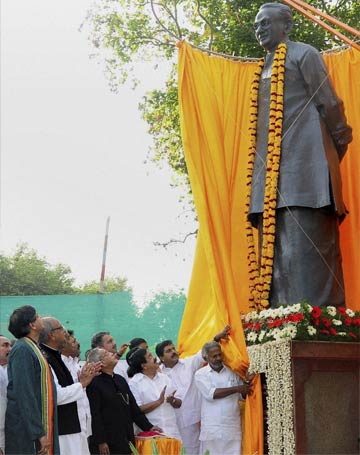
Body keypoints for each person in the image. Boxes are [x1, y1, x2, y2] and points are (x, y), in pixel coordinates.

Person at [249, 2, 352, 307]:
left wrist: (327, 158)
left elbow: (330, 106)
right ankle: (283, 323)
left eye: (265, 23)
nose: (259, 29)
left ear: (287, 26)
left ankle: (319, 325)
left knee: (310, 259)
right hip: (269, 186)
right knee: (279, 264)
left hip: (307, 182)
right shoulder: (261, 69)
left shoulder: (304, 54)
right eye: (256, 25)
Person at [155, 325, 231, 455]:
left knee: (193, 451)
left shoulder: (189, 363)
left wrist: (217, 338)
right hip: (169, 422)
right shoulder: (158, 373)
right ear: (161, 357)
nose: (173, 351)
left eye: (173, 348)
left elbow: (203, 353)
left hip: (191, 420)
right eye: (168, 351)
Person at [5, 306, 60, 455]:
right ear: (32, 325)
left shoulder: (32, 347)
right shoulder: (22, 349)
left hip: (37, 425)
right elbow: (24, 393)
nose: (41, 318)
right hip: (27, 430)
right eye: (38, 316)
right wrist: (38, 432)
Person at [86, 348, 161, 455]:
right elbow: (95, 414)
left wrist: (149, 427)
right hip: (107, 441)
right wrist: (101, 441)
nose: (112, 354)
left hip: (125, 436)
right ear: (101, 363)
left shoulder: (120, 379)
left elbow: (133, 408)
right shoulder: (94, 384)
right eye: (107, 353)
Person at [40, 317, 98, 455]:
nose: (65, 332)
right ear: (52, 335)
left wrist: (81, 381)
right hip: (63, 429)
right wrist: (82, 384)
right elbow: (54, 395)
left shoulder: (56, 357)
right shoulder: (45, 359)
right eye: (60, 328)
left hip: (75, 424)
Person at [194, 341, 252, 455]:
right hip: (212, 429)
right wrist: (237, 388)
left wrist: (247, 385)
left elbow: (242, 396)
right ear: (206, 357)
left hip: (232, 427)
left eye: (220, 354)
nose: (218, 358)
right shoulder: (200, 374)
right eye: (214, 356)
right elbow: (212, 394)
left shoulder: (232, 371)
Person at [127, 347, 182, 441]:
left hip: (172, 432)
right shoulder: (135, 383)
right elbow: (136, 409)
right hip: (151, 434)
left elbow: (179, 403)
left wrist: (172, 400)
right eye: (150, 356)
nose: (155, 358)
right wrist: (158, 402)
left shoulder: (165, 378)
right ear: (144, 365)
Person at [0, 335, 12, 454]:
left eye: (10, 345)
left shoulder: (11, 370)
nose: (10, 349)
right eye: (5, 345)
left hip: (10, 432)